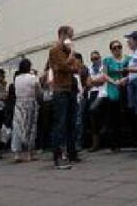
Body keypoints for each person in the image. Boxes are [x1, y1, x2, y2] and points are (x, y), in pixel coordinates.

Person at [48, 25, 80, 169]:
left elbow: (77, 67)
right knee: (60, 124)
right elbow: (64, 66)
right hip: (60, 90)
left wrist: (70, 61)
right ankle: (58, 156)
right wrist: (72, 53)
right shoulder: (55, 50)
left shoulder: (66, 52)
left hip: (70, 90)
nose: (72, 39)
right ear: (62, 35)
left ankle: (72, 153)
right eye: (70, 35)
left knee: (71, 123)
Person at [11, 58, 42, 163]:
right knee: (31, 127)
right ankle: (30, 154)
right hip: (30, 102)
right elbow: (39, 92)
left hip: (19, 103)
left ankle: (17, 154)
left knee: (18, 127)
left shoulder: (17, 78)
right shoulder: (33, 77)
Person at [103, 40, 130, 152]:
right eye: (114, 48)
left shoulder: (127, 59)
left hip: (125, 88)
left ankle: (131, 142)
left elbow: (131, 72)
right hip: (112, 89)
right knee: (113, 118)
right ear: (111, 50)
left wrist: (125, 79)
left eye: (119, 46)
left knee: (128, 115)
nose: (117, 49)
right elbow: (104, 74)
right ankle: (115, 144)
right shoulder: (107, 60)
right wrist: (114, 81)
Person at [86, 50, 107, 152]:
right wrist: (95, 81)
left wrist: (93, 81)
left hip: (102, 93)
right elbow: (88, 83)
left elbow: (103, 80)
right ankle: (95, 142)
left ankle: (103, 127)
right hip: (93, 93)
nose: (94, 60)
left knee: (93, 109)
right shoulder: (90, 68)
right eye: (92, 59)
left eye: (96, 58)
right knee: (92, 116)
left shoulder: (104, 66)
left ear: (100, 57)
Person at [74, 53, 89, 152]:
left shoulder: (83, 69)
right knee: (75, 120)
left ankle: (79, 142)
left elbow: (86, 83)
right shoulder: (72, 70)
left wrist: (83, 90)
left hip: (81, 96)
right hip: (73, 97)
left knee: (79, 120)